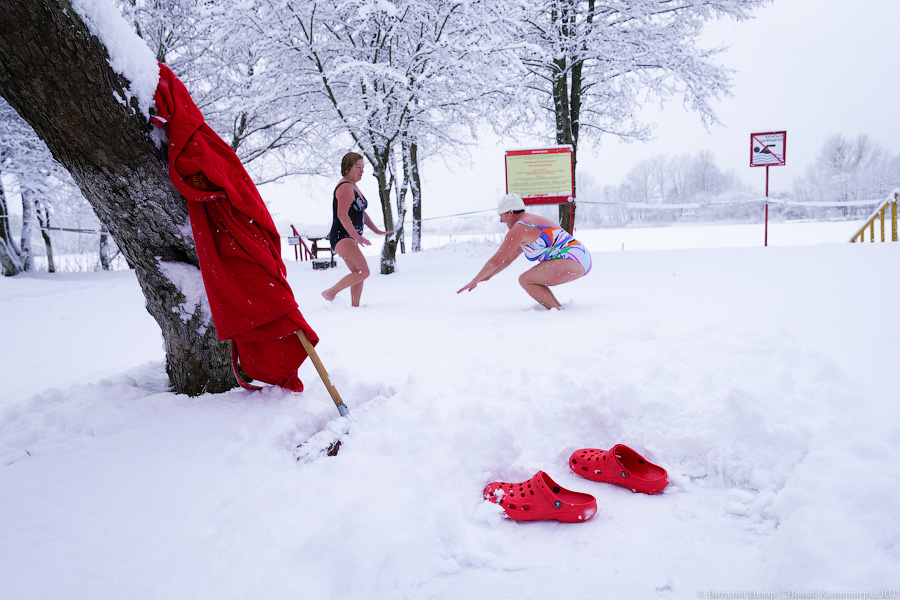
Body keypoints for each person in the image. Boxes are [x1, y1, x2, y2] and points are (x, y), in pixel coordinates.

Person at [457, 193, 591, 310]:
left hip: (573, 259)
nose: (501, 220)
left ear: (510, 212)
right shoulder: (528, 222)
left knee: (526, 280)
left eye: (501, 215)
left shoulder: (521, 227)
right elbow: (508, 258)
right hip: (580, 258)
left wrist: (474, 280)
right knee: (529, 279)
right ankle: (557, 309)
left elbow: (497, 260)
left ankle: (556, 313)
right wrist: (488, 276)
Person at [321, 152, 391, 307]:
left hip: (348, 236)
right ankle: (330, 293)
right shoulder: (345, 186)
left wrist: (376, 230)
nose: (362, 171)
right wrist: (357, 236)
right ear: (347, 168)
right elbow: (342, 214)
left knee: (358, 273)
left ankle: (355, 308)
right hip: (342, 236)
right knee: (363, 272)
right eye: (358, 167)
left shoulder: (353, 186)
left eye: (363, 167)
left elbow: (361, 213)